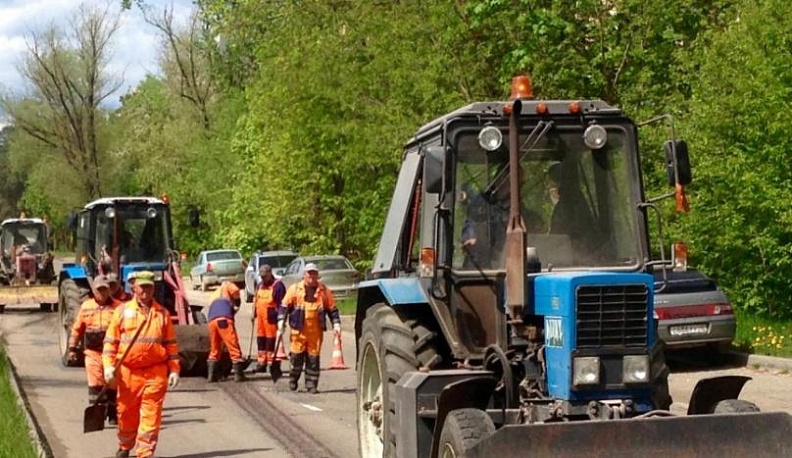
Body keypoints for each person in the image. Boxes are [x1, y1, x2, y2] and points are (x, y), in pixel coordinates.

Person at [102, 271, 180, 458]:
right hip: (128, 374)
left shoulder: (162, 314)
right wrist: (108, 366)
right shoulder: (122, 312)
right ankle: (125, 445)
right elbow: (110, 342)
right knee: (126, 413)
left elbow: (171, 345)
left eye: (149, 287)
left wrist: (174, 369)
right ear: (134, 288)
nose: (146, 291)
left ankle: (145, 452)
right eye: (142, 287)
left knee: (151, 416)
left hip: (155, 373)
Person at [278, 262, 340, 393]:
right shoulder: (295, 289)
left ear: (318, 275)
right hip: (298, 331)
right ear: (304, 275)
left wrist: (336, 323)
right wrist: (281, 322)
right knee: (296, 358)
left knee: (313, 358)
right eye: (309, 273)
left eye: (314, 273)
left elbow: (332, 309)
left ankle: (311, 385)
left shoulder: (324, 291)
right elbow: (284, 307)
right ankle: (293, 379)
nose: (312, 276)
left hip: (315, 331)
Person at [68, 275, 122, 425]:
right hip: (93, 353)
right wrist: (72, 348)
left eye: (105, 289)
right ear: (94, 291)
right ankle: (97, 414)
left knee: (112, 383)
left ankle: (113, 413)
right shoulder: (86, 306)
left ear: (109, 290)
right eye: (99, 290)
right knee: (95, 383)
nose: (102, 293)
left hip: (113, 353)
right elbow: (77, 329)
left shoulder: (119, 308)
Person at [206, 281, 247, 382]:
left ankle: (211, 376)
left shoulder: (215, 294)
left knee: (215, 348)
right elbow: (235, 290)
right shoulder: (228, 286)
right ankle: (239, 375)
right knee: (233, 346)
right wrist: (237, 304)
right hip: (223, 320)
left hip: (212, 321)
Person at [253, 265, 286, 374]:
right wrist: (253, 312)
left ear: (270, 273)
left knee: (271, 341)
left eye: (265, 276)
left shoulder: (278, 286)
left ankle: (273, 364)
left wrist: (282, 319)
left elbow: (282, 304)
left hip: (271, 318)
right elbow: (256, 299)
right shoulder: (260, 285)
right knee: (261, 340)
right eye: (261, 276)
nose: (263, 278)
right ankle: (261, 363)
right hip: (260, 318)